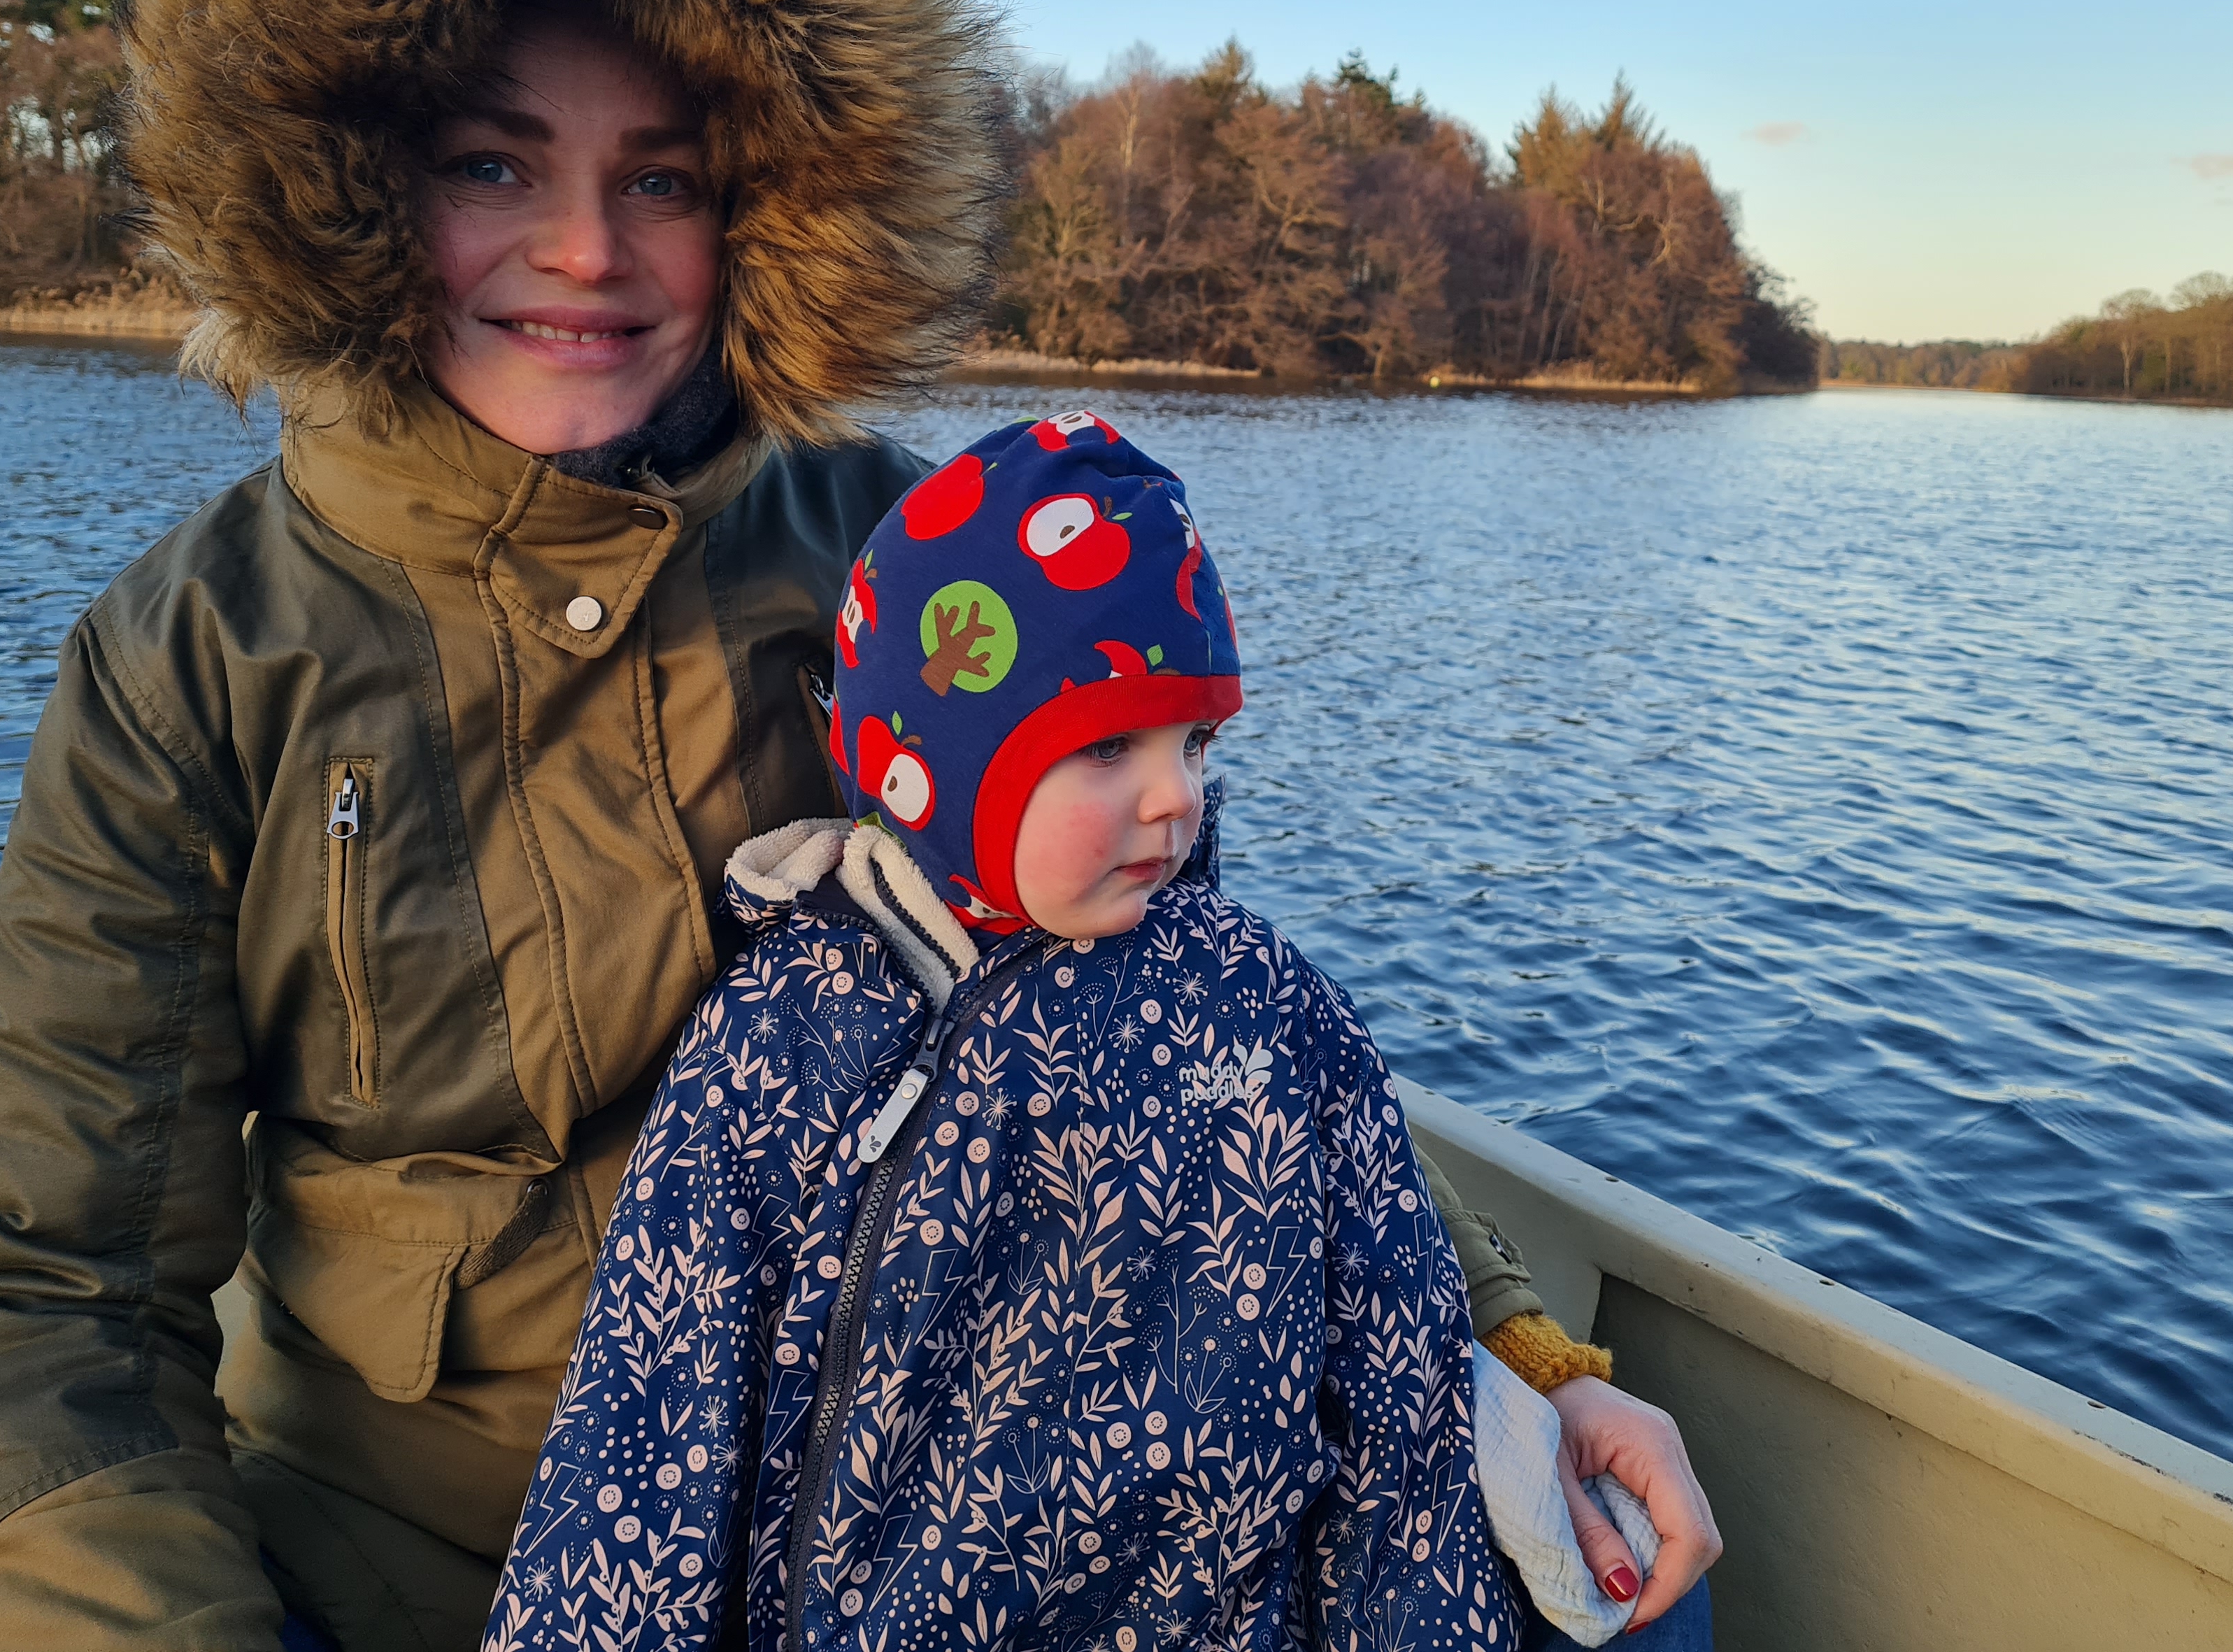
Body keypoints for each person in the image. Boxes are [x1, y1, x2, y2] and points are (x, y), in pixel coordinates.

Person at [0, 0, 1715, 1652]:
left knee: (1637, 1605)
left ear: (761, 205)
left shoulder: (928, 569)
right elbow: (49, 1305)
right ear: (353, 181)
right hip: (381, 1571)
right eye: (497, 162)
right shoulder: (192, 663)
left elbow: (1194, 1017)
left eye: (659, 178)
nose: (584, 249)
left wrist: (1525, 1359)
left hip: (909, 1560)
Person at [485, 417, 1518, 1649]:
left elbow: (1401, 1397)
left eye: (1194, 740)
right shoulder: (777, 1043)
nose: (1176, 795)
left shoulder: (1268, 1012)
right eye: (1105, 744)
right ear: (940, 761)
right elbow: (645, 1442)